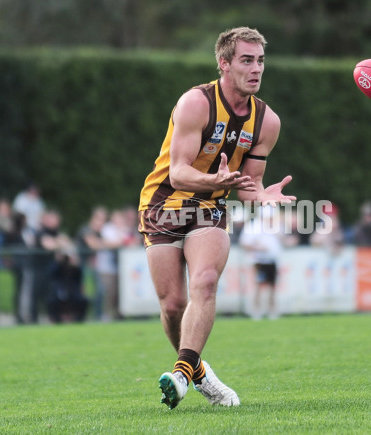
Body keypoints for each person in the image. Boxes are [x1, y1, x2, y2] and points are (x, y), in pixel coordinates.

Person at [137, 27, 295, 409]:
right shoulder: (196, 102)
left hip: (210, 207)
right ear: (224, 64)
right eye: (246, 60)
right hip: (163, 203)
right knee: (173, 305)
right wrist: (214, 179)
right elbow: (178, 172)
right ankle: (199, 372)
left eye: (260, 60)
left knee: (205, 283)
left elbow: (249, 185)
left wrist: (262, 195)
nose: (256, 69)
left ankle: (180, 373)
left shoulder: (266, 121)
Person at [239, 205, 283, 320]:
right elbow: (244, 243)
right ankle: (256, 310)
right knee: (258, 285)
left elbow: (282, 241)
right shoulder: (254, 226)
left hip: (272, 259)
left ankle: (271, 310)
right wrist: (258, 247)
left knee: (272, 286)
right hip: (258, 260)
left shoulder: (276, 226)